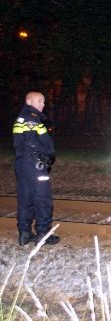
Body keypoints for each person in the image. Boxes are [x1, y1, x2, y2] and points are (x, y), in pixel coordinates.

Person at [13, 91, 60, 246]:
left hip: (23, 165)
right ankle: (43, 233)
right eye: (40, 101)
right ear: (29, 101)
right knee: (43, 199)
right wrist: (45, 156)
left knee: (26, 198)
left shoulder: (22, 117)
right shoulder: (30, 118)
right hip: (34, 165)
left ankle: (25, 234)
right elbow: (31, 141)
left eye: (44, 101)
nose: (43, 104)